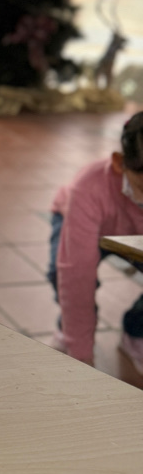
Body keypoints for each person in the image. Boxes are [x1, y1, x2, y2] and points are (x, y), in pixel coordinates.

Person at [48, 112, 143, 373]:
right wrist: (81, 357)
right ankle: (69, 328)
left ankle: (136, 330)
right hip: (82, 220)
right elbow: (76, 274)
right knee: (61, 272)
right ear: (119, 163)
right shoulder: (89, 186)